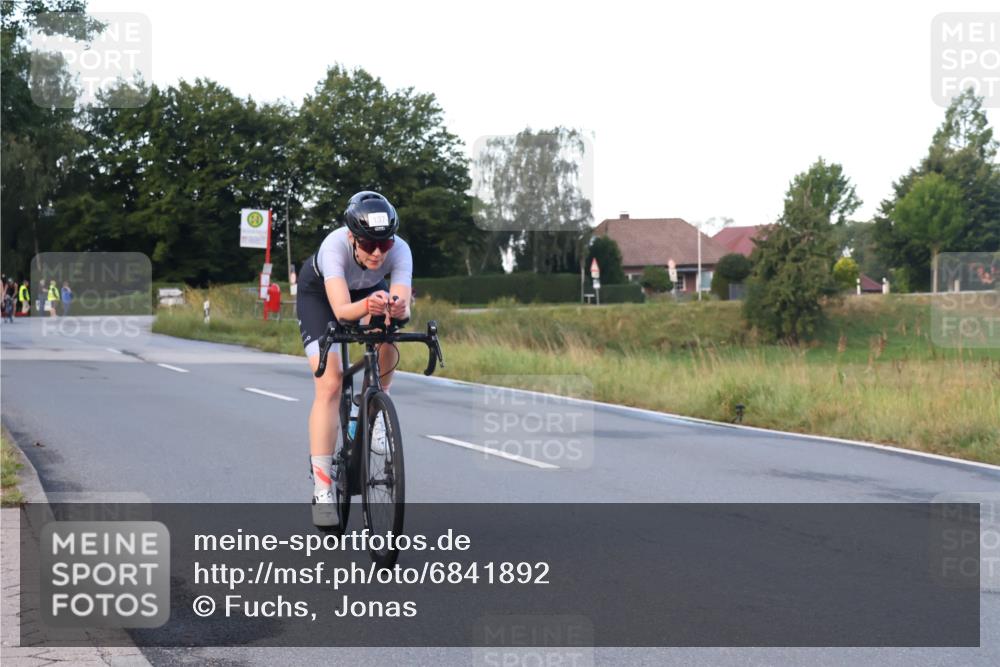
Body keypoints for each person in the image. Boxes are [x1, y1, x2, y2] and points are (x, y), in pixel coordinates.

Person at [296, 191, 412, 528]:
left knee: (389, 328)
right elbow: (343, 312)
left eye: (384, 244)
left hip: (366, 294)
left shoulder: (401, 249)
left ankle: (377, 404)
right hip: (323, 298)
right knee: (330, 384)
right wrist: (369, 306)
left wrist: (398, 308)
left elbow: (402, 302)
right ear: (352, 237)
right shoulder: (335, 247)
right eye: (368, 244)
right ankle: (322, 488)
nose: (377, 252)